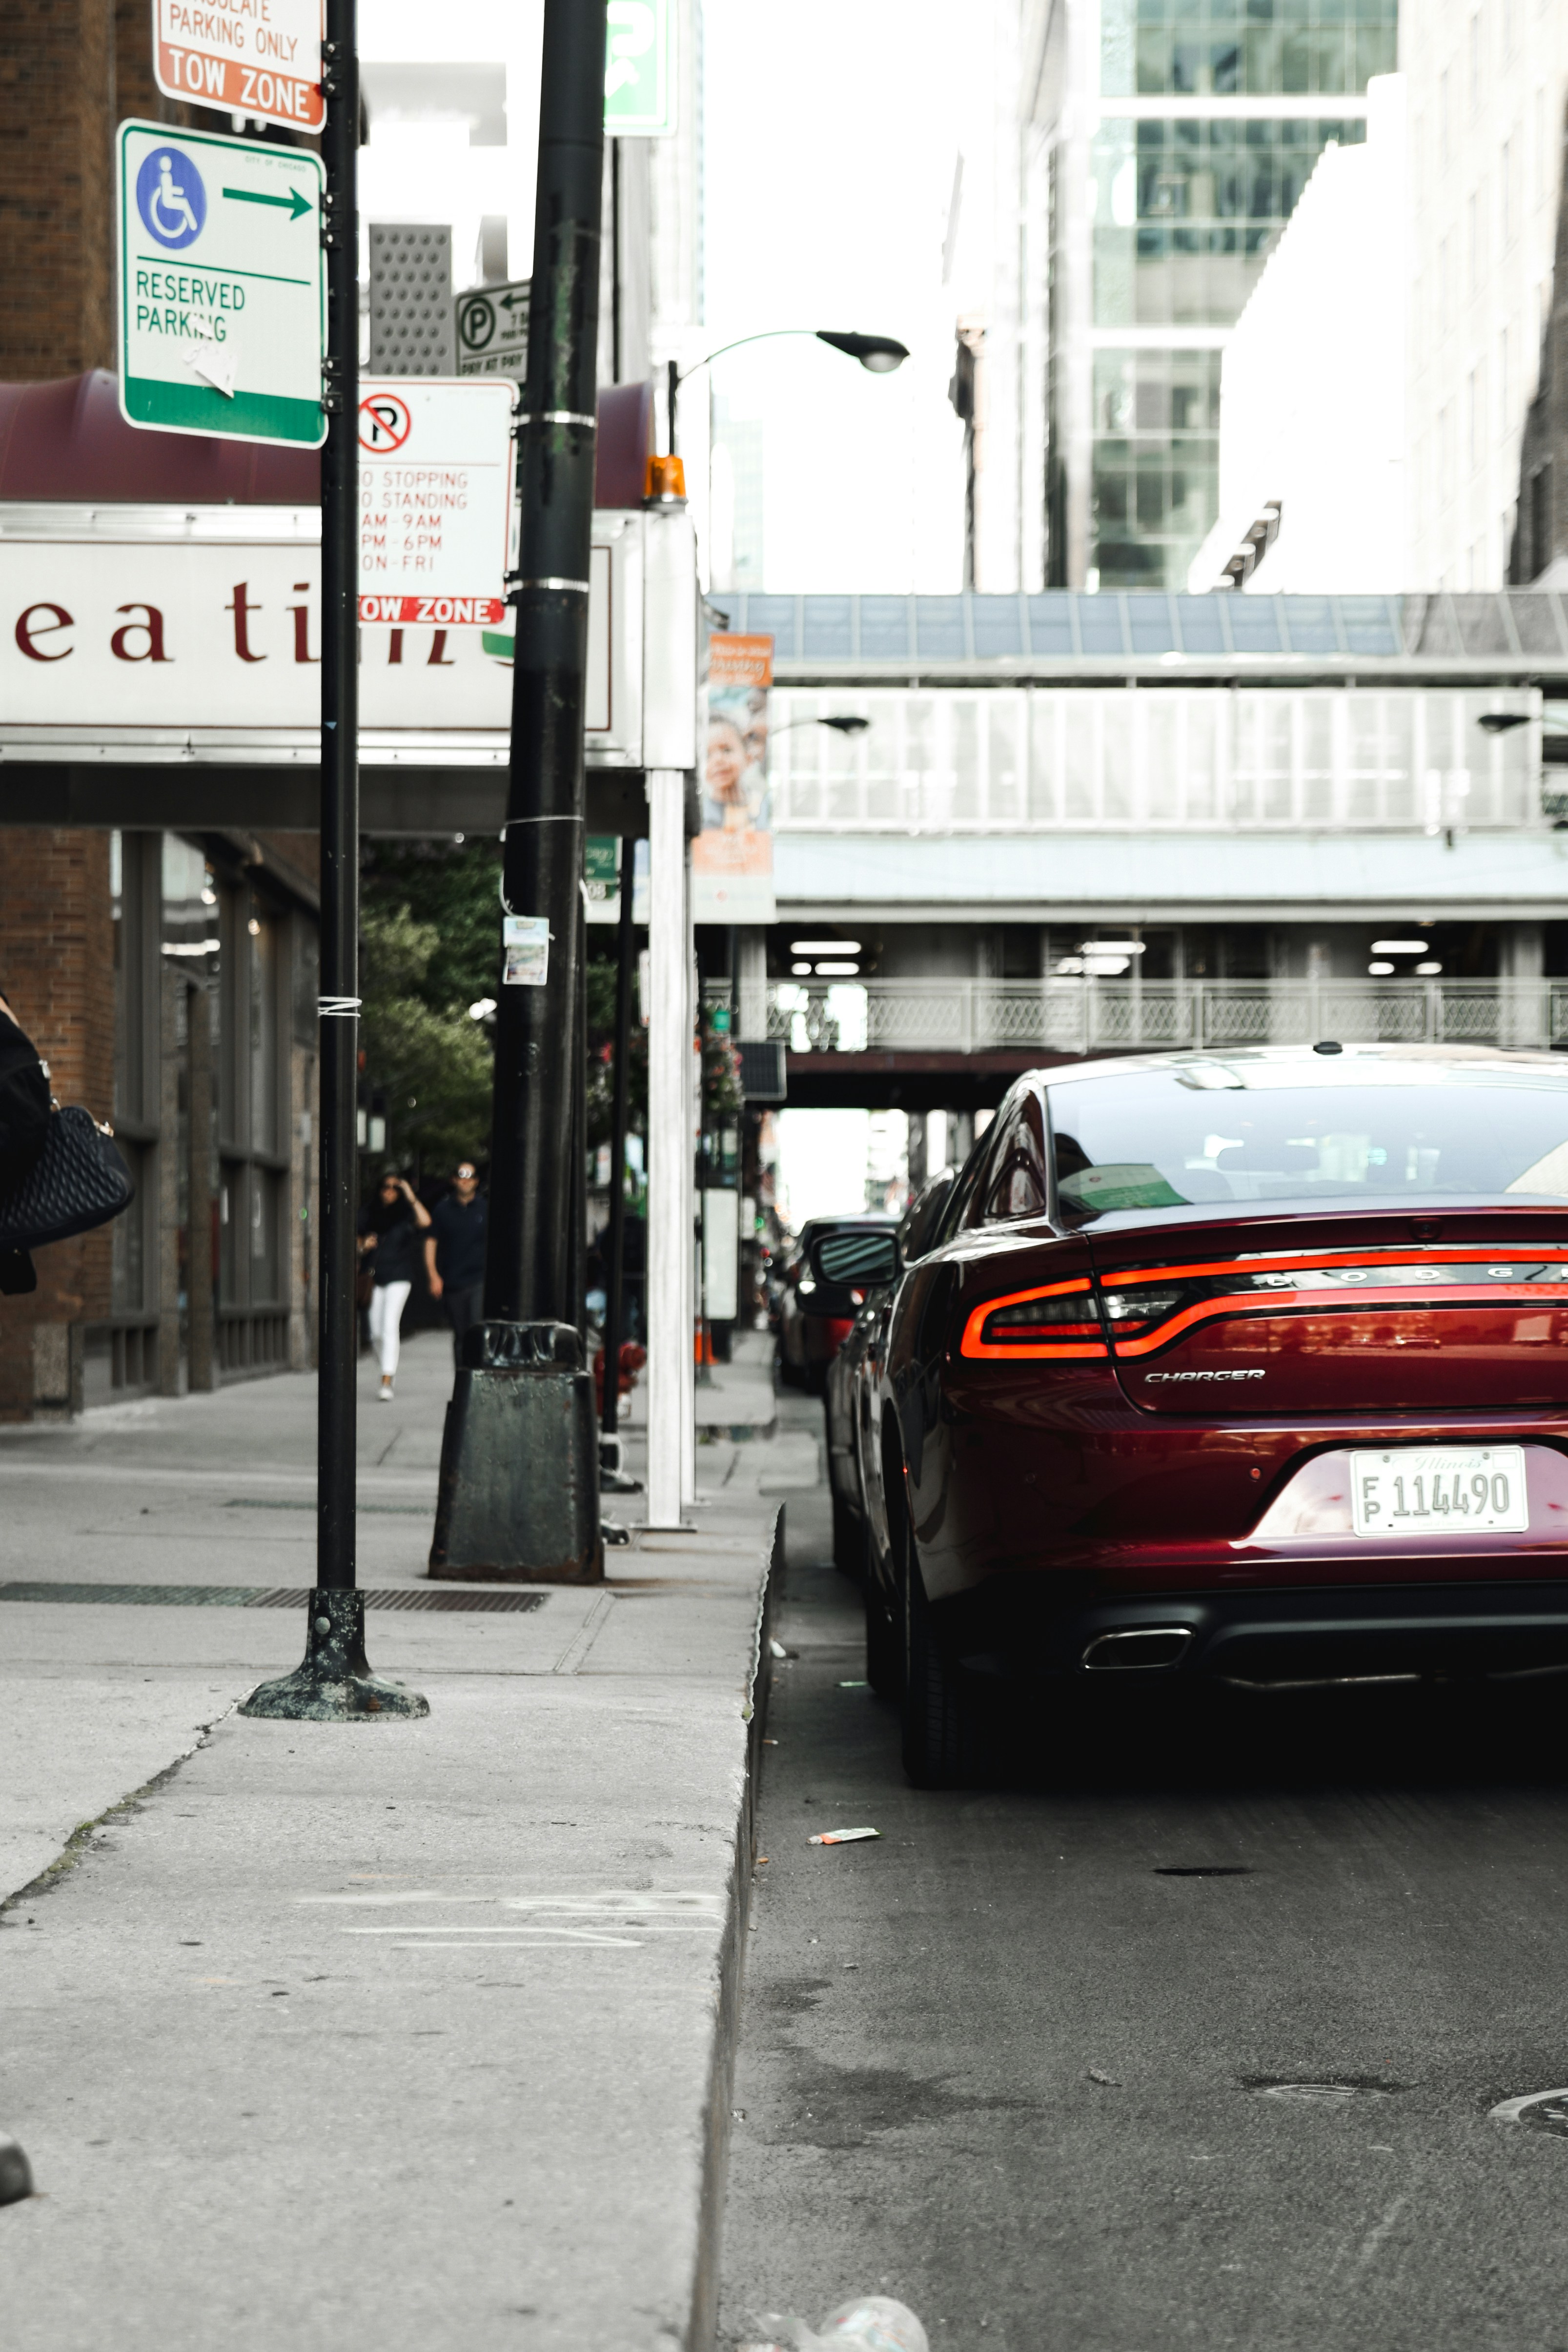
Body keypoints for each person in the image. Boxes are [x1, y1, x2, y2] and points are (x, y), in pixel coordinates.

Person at [358, 1171, 430, 1400]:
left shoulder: (406, 1214)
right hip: (375, 1278)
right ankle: (387, 1369)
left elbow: (426, 1221)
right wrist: (363, 1245)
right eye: (385, 1187)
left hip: (400, 1278)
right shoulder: (369, 1213)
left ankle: (387, 1379)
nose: (389, 1191)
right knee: (375, 1334)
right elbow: (355, 1241)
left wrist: (410, 1194)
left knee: (390, 1326)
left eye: (394, 1187)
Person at [424, 1158, 487, 1364]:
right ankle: (461, 1383)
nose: (465, 1181)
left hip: (479, 1279)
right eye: (461, 1176)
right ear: (454, 1180)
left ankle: (477, 1379)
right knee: (461, 1334)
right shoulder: (443, 1209)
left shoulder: (485, 1208)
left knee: (476, 1331)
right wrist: (434, 1275)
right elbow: (431, 1241)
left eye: (470, 1177)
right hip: (453, 1280)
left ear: (477, 1181)